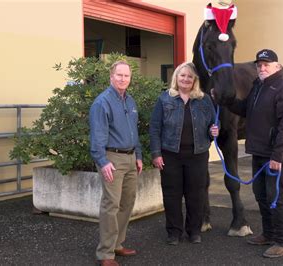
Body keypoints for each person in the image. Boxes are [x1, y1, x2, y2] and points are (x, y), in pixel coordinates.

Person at [227, 49, 283, 258]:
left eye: (266, 64)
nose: (262, 68)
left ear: (276, 66)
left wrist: (278, 155)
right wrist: (226, 100)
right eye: (259, 65)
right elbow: (245, 109)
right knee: (261, 194)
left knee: (276, 196)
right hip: (259, 151)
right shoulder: (259, 86)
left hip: (276, 155)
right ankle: (268, 234)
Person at [149, 62, 219, 245]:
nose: (186, 79)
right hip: (170, 154)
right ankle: (174, 232)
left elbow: (212, 124)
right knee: (172, 195)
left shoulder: (204, 100)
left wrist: (213, 133)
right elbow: (155, 128)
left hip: (198, 154)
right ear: (176, 78)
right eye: (182, 75)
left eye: (190, 76)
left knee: (196, 195)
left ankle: (194, 231)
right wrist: (156, 154)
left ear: (194, 80)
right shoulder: (165, 99)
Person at [90, 60, 143, 266]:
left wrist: (138, 155)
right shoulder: (102, 103)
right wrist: (102, 161)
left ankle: (117, 244)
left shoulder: (130, 101)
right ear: (111, 77)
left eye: (126, 76)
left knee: (127, 202)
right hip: (111, 159)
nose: (123, 79)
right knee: (111, 205)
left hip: (130, 158)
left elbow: (134, 132)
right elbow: (97, 136)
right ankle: (105, 254)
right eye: (119, 75)